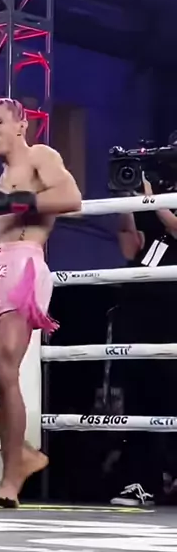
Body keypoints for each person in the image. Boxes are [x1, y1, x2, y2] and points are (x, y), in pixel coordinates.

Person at [0, 98, 82, 508]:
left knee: (5, 370)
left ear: (22, 125)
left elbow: (71, 197)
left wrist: (8, 202)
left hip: (23, 268)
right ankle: (22, 454)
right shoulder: (3, 177)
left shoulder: (40, 156)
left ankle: (11, 478)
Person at [109, 173, 177, 508]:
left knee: (169, 397)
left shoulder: (160, 205)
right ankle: (140, 481)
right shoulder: (154, 206)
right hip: (139, 314)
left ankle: (168, 475)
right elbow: (129, 244)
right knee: (138, 399)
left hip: (171, 318)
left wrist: (151, 201)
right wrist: (127, 202)